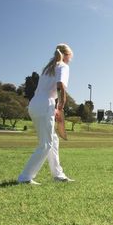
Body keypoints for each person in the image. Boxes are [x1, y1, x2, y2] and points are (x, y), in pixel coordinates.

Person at [17, 44, 75, 185]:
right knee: (46, 144)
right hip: (45, 105)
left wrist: (55, 107)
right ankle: (25, 177)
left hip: (35, 104)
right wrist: (61, 103)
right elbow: (60, 85)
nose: (70, 60)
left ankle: (58, 174)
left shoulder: (48, 68)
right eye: (70, 57)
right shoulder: (63, 66)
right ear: (66, 55)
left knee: (53, 140)